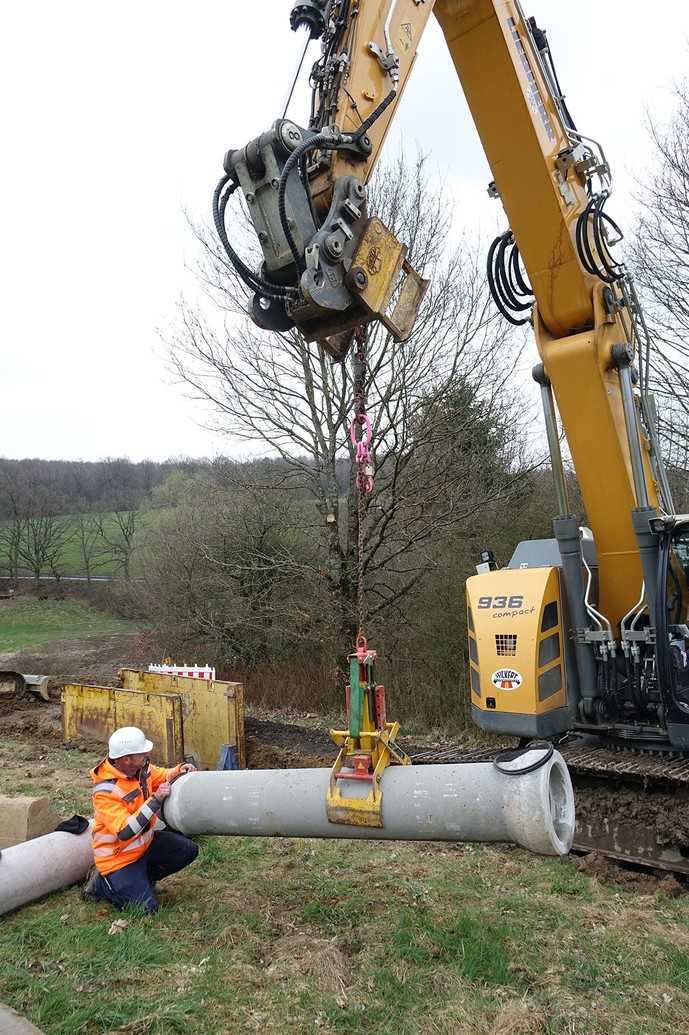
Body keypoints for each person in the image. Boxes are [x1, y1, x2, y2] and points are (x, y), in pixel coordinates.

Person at [83, 726, 198, 914]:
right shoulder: (105, 792)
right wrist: (155, 800)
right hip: (119, 860)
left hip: (144, 846)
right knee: (147, 910)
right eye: (142, 753)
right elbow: (125, 831)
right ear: (127, 759)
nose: (147, 755)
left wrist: (179, 770)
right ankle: (101, 885)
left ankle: (144, 879)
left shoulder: (141, 769)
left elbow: (162, 775)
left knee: (188, 850)